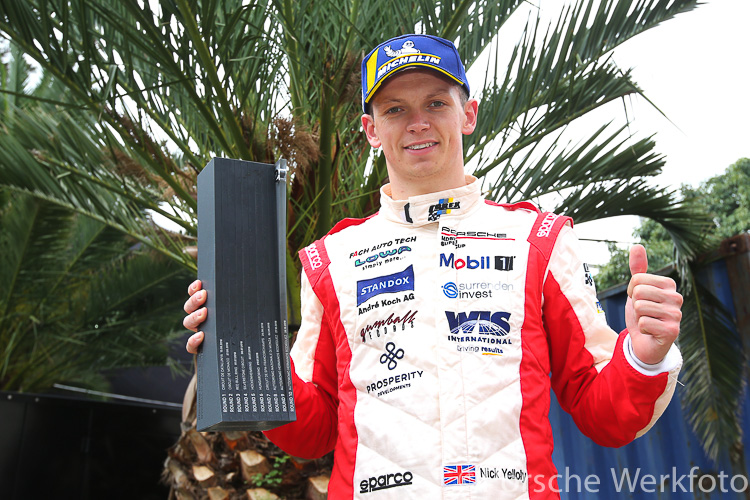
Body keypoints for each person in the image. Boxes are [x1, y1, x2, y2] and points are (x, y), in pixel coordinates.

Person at [184, 34, 683, 499]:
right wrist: (233, 343)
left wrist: (642, 356)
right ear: (370, 129)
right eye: (395, 109)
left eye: (436, 103)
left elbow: (605, 415)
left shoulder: (539, 241)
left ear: (467, 114)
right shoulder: (331, 260)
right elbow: (313, 432)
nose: (417, 123)